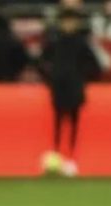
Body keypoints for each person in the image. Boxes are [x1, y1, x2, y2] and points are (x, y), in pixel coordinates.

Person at [37, 7, 101, 177]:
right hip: (58, 87)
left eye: (71, 21)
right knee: (58, 123)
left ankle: (71, 159)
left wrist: (81, 78)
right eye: (66, 21)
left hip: (74, 88)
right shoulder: (54, 42)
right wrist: (50, 79)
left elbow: (95, 66)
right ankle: (56, 156)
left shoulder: (81, 43)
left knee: (73, 124)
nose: (69, 25)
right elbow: (40, 62)